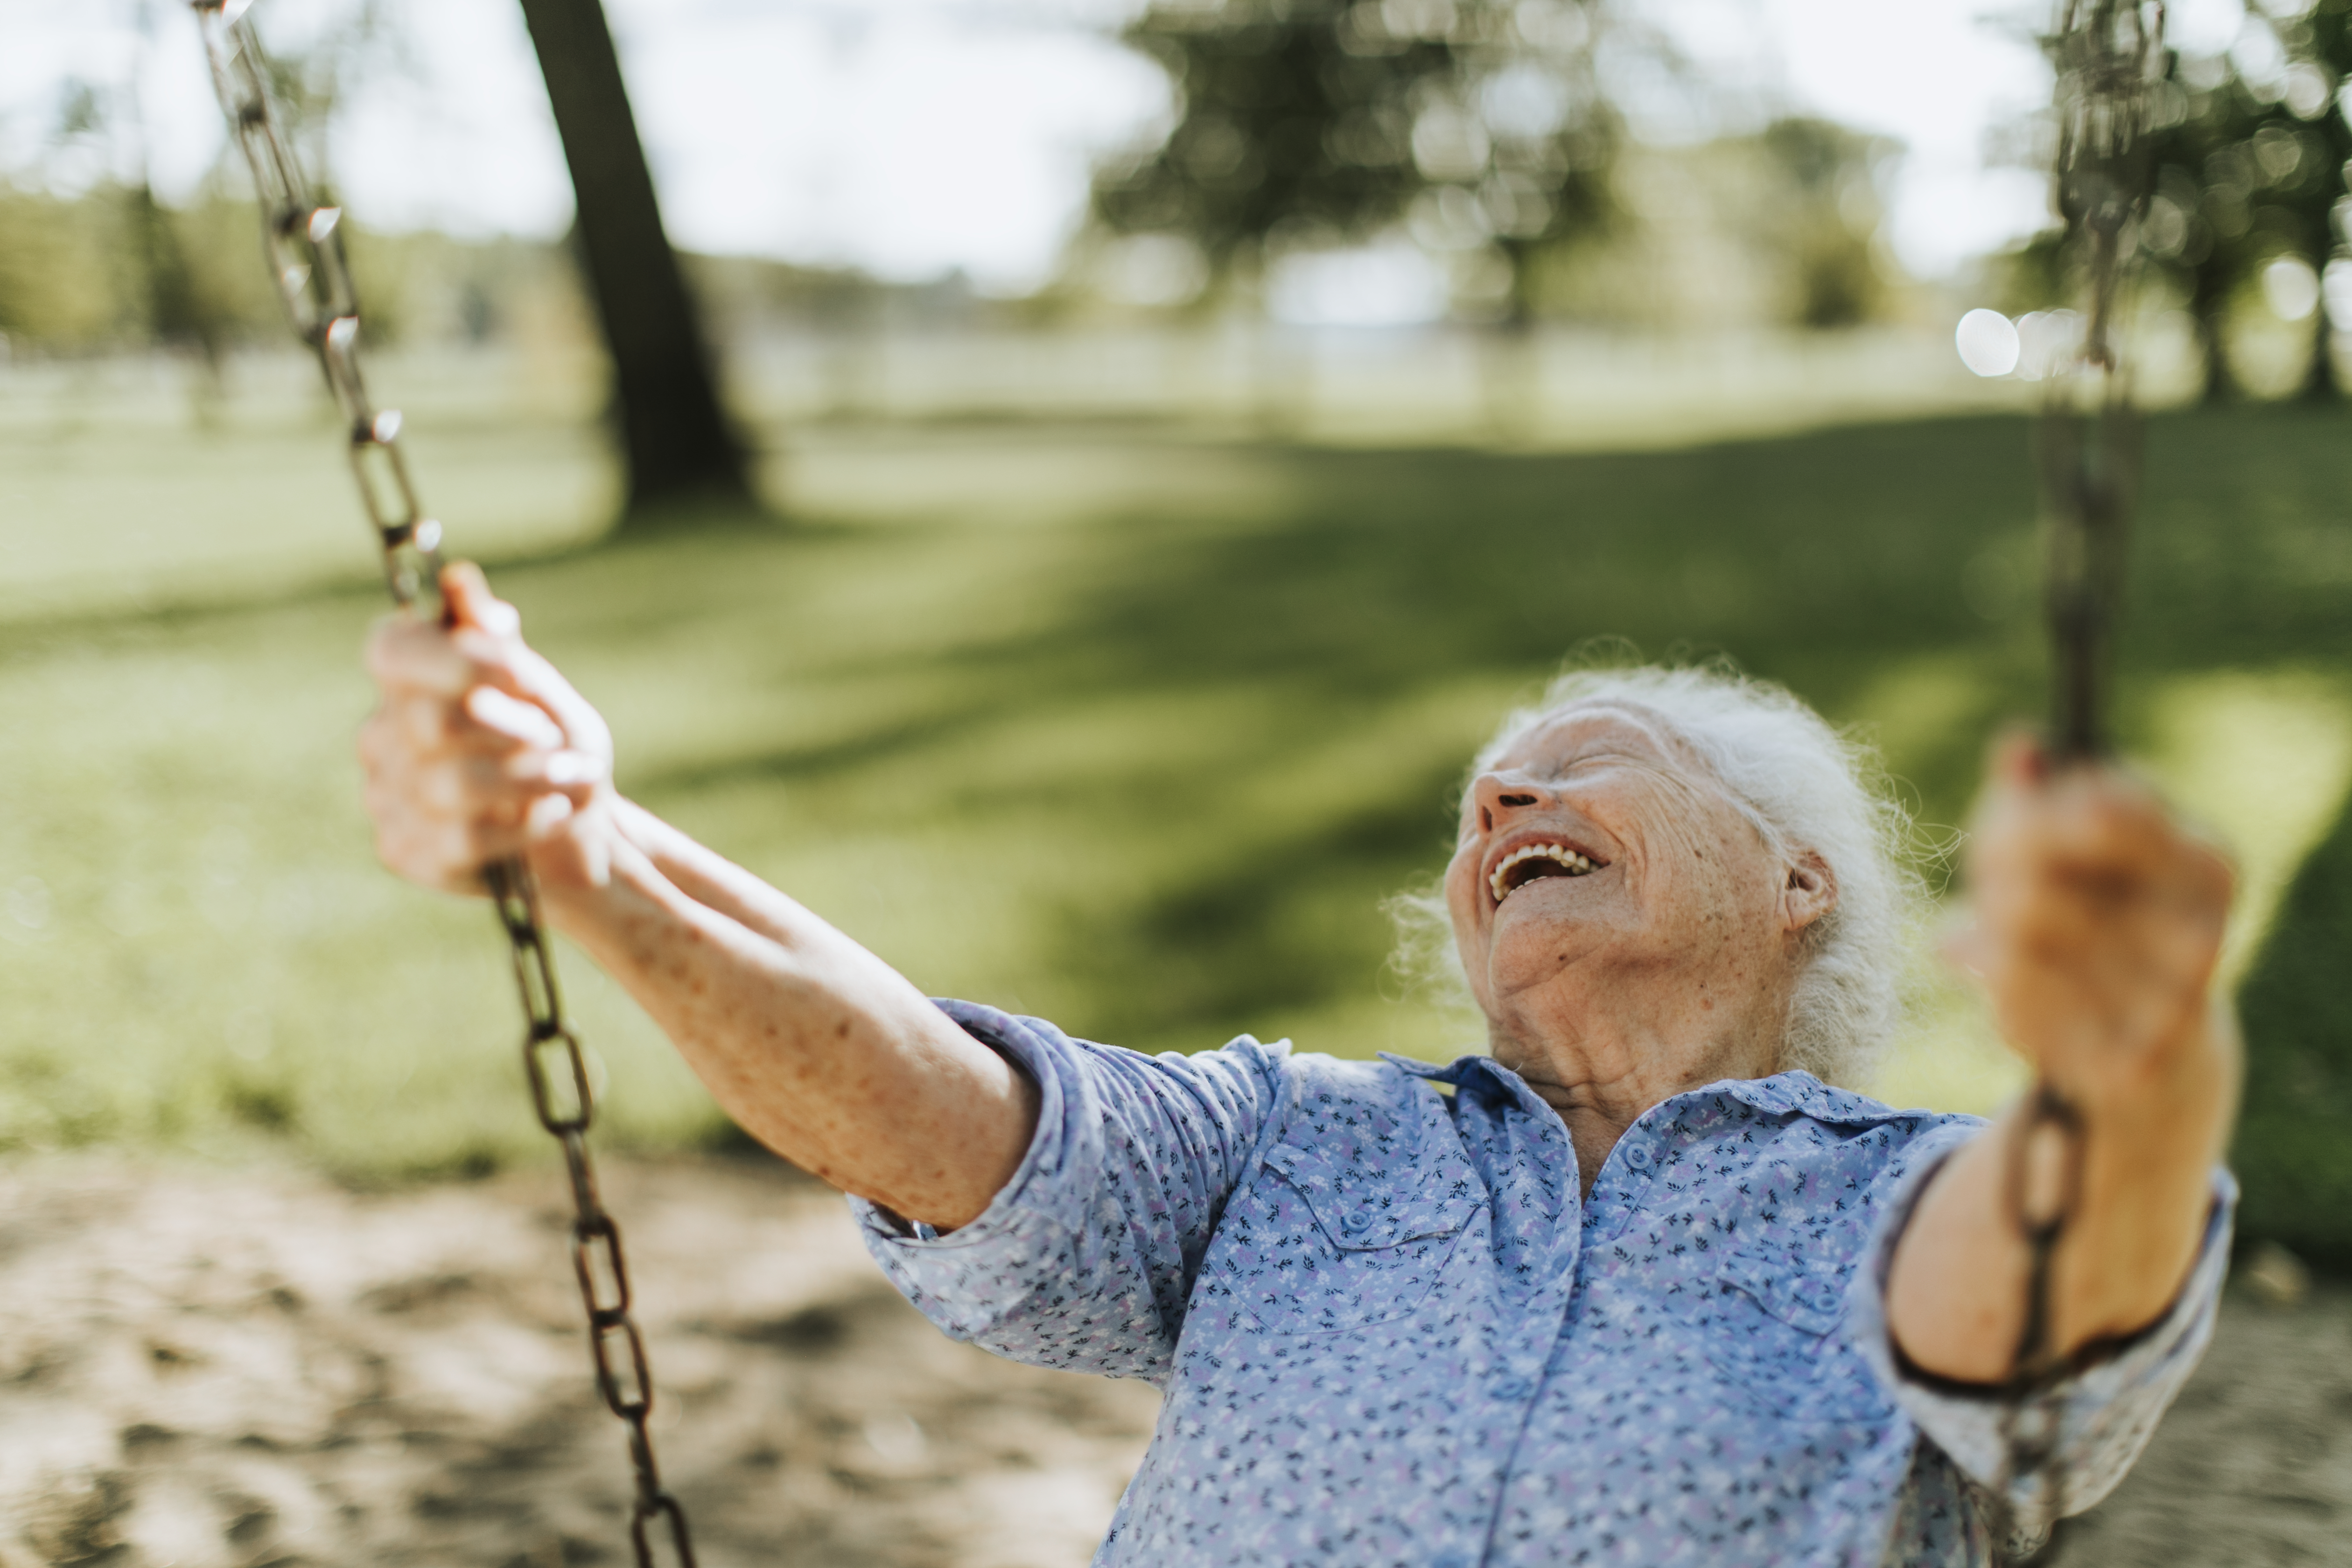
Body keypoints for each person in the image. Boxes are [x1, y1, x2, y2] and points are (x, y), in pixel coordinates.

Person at [360, 564, 2238, 1567]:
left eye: (1590, 758)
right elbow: (951, 1118)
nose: (1508, 792)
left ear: (1797, 879)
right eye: (1483, 798)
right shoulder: (1301, 1145)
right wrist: (585, 846)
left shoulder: (1891, 1196)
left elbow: (2053, 1279)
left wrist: (2135, 1063)